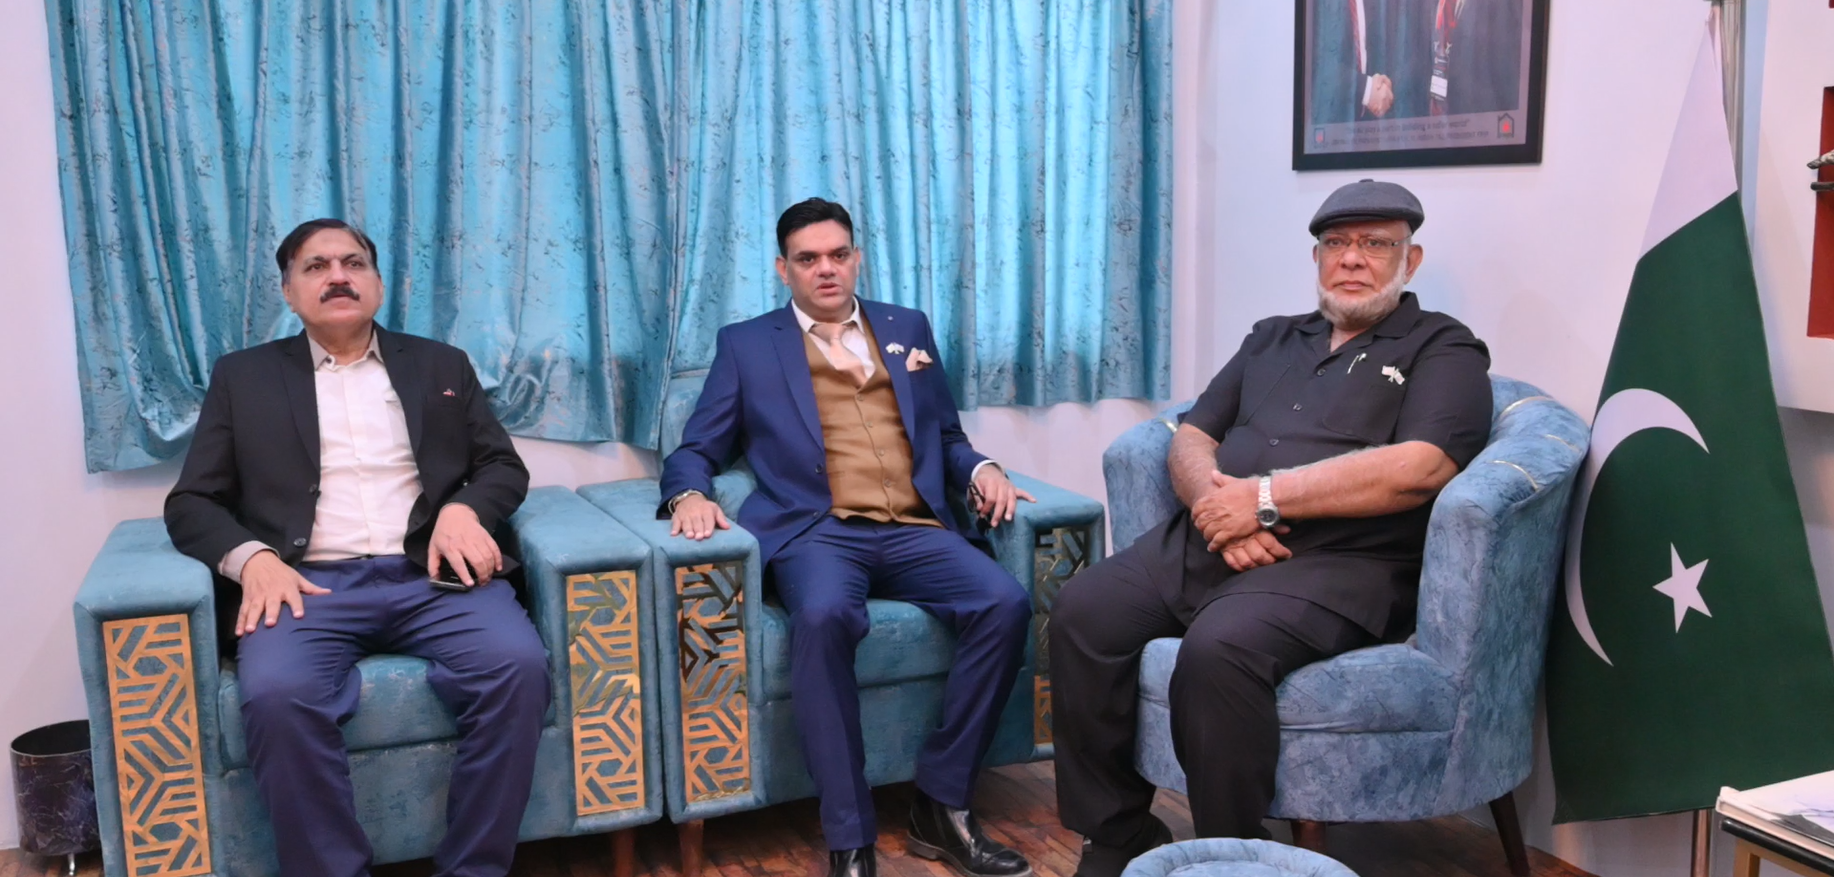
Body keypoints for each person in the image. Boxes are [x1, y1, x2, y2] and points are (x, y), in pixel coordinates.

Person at [1048, 180, 1493, 877]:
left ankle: (1233, 855)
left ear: (1410, 261)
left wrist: (1260, 499)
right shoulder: (1273, 336)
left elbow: (1421, 467)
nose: (1352, 258)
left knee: (1218, 650)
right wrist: (1217, 509)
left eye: (1375, 244)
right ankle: (1117, 832)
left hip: (1339, 563)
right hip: (1210, 539)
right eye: (1336, 243)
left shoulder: (1443, 347)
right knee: (1082, 610)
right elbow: (1192, 435)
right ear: (1316, 258)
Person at [660, 198, 1036, 877]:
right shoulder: (748, 345)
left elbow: (946, 435)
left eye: (838, 254)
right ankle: (850, 835)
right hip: (818, 533)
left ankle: (942, 803)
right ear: (784, 269)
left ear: (857, 257)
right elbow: (697, 448)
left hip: (915, 526)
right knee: (823, 616)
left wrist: (982, 468)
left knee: (1004, 603)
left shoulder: (906, 326)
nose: (826, 269)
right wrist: (688, 494)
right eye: (808, 259)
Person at [165, 218, 548, 877]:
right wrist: (253, 559)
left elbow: (502, 467)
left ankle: (473, 869)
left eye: (353, 263)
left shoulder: (440, 363)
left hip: (432, 575)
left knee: (517, 666)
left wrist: (463, 509)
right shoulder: (243, 377)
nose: (337, 276)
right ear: (289, 292)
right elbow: (191, 502)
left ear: (378, 283)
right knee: (277, 694)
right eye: (316, 266)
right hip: (307, 583)